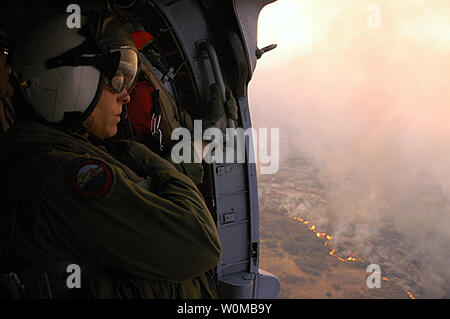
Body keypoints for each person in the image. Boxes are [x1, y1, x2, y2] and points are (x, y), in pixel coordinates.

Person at [0, 9, 236, 299]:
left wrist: (202, 142)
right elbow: (200, 241)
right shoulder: (61, 177)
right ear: (70, 81)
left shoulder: (55, 155)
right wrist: (146, 158)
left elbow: (139, 190)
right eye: (116, 80)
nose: (125, 95)